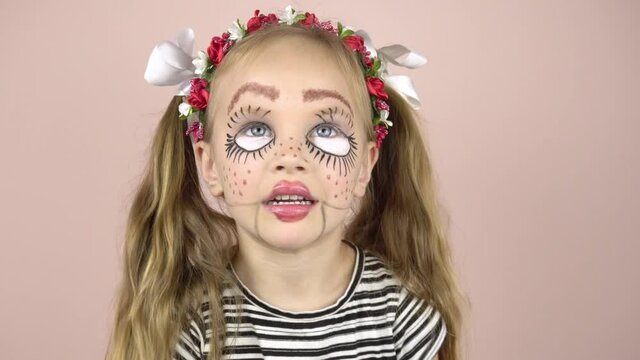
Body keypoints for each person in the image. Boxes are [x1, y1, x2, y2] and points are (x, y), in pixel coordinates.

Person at [105, 5, 467, 360]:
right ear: (210, 165)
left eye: (325, 130)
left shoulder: (398, 315)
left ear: (364, 167)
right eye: (256, 130)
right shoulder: (195, 325)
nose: (290, 157)